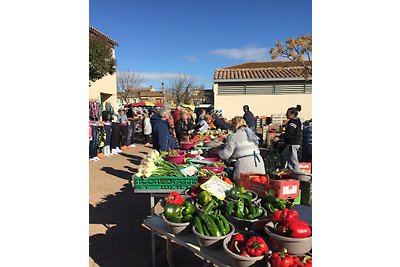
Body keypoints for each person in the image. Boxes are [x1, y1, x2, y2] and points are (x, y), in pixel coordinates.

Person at [218, 116, 265, 183]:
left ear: (234, 126)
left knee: (242, 185)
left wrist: (218, 151)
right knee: (258, 186)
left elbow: (225, 154)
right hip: (258, 163)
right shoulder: (251, 134)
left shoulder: (234, 136)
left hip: (245, 165)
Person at [274, 105, 303, 172]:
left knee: (293, 161)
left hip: (293, 143)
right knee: (285, 156)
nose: (286, 114)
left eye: (287, 113)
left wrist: (279, 138)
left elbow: (289, 133)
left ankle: (298, 175)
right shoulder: (297, 121)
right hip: (294, 143)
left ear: (292, 114)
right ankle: (289, 172)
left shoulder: (293, 122)